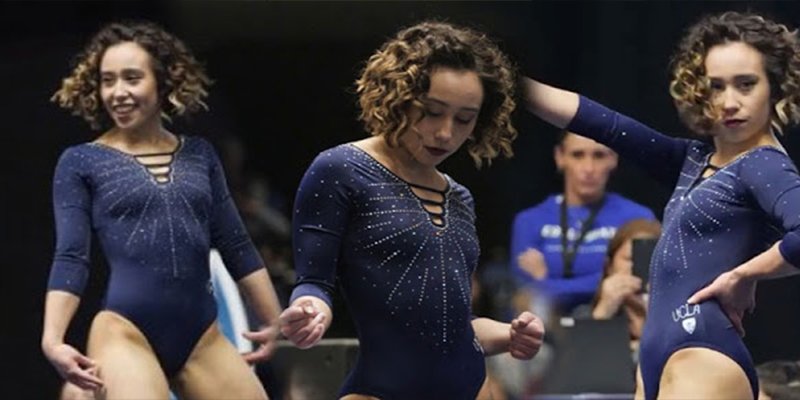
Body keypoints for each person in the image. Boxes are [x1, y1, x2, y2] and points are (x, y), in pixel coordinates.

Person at [522, 11, 800, 400]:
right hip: (656, 361)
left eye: (746, 84)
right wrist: (505, 82)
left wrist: (742, 276)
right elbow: (601, 123)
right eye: (715, 86)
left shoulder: (763, 164)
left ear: (774, 87)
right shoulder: (694, 159)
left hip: (703, 354)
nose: (729, 102)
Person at [278, 21, 545, 399]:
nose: (446, 133)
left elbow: (455, 327)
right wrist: (309, 308)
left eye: (464, 119)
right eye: (432, 112)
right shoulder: (341, 170)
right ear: (399, 96)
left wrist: (510, 334)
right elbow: (314, 283)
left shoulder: (459, 197)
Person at [42, 21, 282, 399]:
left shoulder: (200, 154)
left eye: (132, 78)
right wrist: (53, 340)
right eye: (107, 81)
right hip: (125, 332)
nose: (118, 92)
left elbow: (235, 243)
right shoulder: (81, 162)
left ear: (163, 81)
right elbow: (72, 256)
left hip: (201, 335)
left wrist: (272, 318)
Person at [510, 130, 655, 314]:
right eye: (577, 155)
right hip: (546, 328)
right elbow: (526, 296)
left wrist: (545, 283)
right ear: (560, 157)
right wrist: (605, 281)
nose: (588, 168)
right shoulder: (529, 221)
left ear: (613, 159)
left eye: (599, 155)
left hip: (617, 326)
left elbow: (638, 284)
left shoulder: (638, 218)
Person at [586, 219, 661, 349]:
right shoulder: (585, 314)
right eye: (629, 259)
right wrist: (604, 310)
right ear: (609, 266)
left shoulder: (680, 315)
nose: (636, 267)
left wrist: (656, 313)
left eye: (648, 260)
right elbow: (580, 356)